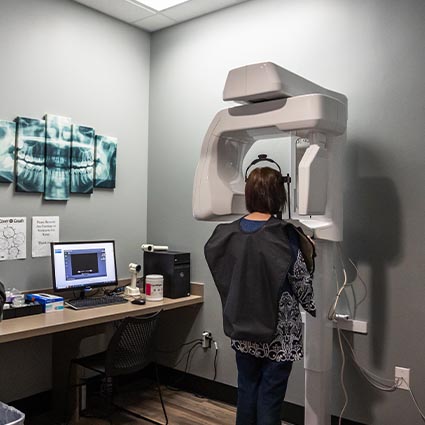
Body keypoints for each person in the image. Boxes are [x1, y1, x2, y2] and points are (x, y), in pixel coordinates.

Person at [204, 165, 316, 425]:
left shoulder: (226, 233)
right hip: (279, 336)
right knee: (270, 398)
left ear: (249, 194)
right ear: (279, 195)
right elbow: (302, 287)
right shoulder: (285, 235)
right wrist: (311, 254)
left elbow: (222, 270)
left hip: (243, 329)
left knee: (246, 393)